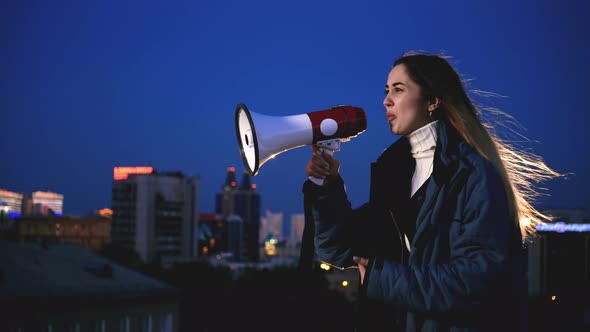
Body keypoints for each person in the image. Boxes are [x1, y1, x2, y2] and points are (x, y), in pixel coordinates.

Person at [303, 51, 564, 332]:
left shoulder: (473, 175)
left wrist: (383, 279)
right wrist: (328, 188)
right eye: (386, 90)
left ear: (432, 101)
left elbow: (474, 282)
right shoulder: (393, 172)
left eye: (398, 90)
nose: (386, 100)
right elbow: (336, 250)